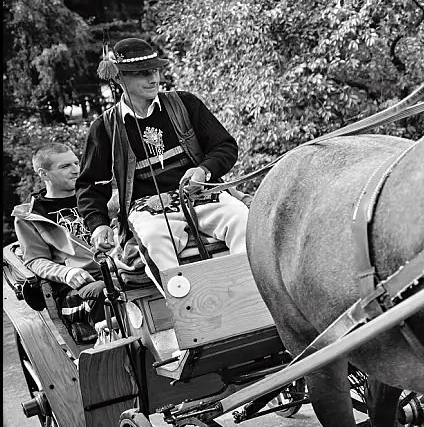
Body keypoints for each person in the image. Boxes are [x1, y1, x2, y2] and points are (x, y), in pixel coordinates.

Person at [76, 37, 249, 294]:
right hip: (147, 210)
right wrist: (99, 223)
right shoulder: (105, 127)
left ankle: (251, 295)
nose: (153, 78)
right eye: (142, 73)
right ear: (119, 78)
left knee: (242, 219)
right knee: (155, 240)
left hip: (203, 195)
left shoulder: (185, 103)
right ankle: (186, 310)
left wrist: (203, 170)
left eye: (155, 70)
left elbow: (224, 146)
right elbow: (91, 184)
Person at [12, 143, 106, 343]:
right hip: (77, 287)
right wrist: (67, 273)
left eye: (76, 162)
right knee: (102, 291)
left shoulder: (98, 196)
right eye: (65, 166)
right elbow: (35, 260)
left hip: (117, 269)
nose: (76, 170)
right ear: (43, 174)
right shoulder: (30, 216)